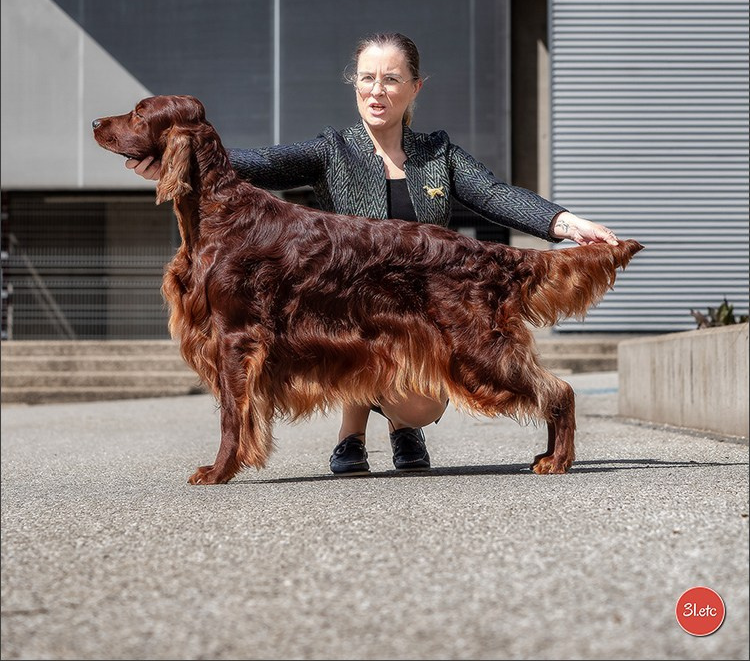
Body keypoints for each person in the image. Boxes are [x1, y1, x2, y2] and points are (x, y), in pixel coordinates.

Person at [126, 32, 618, 475]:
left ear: (415, 87)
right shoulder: (332, 150)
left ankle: (411, 427)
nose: (376, 90)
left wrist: (565, 223)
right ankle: (351, 436)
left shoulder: (438, 154)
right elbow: (261, 162)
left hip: (422, 297)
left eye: (390, 79)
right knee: (339, 327)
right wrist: (179, 159)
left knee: (428, 399)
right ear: (354, 85)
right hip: (348, 311)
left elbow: (495, 196)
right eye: (366, 79)